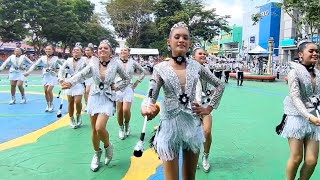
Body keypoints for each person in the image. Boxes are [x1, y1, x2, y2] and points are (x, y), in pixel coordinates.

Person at [141, 22, 225, 180]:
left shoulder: (196, 66)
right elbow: (149, 96)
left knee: (189, 178)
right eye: (177, 37)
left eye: (185, 37)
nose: (181, 40)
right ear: (169, 42)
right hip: (169, 128)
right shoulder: (160, 68)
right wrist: (146, 109)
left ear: (189, 43)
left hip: (192, 126)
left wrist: (209, 108)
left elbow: (220, 85)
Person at [61, 40, 130, 172]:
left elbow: (127, 79)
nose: (102, 50)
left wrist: (117, 86)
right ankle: (97, 154)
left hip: (108, 98)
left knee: (100, 127)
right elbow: (81, 74)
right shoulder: (93, 63)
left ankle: (108, 146)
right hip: (94, 97)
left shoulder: (116, 64)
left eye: (105, 48)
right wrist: (70, 83)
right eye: (100, 48)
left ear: (110, 51)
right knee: (94, 130)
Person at [276, 40, 320, 180]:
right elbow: (295, 97)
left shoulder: (318, 74)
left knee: (312, 161)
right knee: (296, 158)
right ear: (301, 54)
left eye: (317, 51)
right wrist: (308, 116)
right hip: (296, 118)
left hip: (315, 117)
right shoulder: (294, 72)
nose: (315, 53)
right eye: (311, 51)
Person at [193, 45, 216, 173]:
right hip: (191, 106)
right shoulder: (188, 70)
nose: (203, 56)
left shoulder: (206, 70)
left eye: (204, 54)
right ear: (193, 56)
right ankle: (194, 157)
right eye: (200, 54)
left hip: (205, 106)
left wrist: (210, 92)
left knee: (206, 132)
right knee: (193, 133)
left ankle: (205, 156)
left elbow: (216, 85)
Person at [115, 47, 146, 140]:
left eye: (125, 50)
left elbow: (143, 71)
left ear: (129, 53)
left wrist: (137, 82)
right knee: (119, 111)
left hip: (128, 88)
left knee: (126, 110)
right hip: (117, 88)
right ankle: (121, 128)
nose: (123, 52)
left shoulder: (133, 62)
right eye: (121, 51)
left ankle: (127, 125)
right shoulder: (115, 62)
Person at [24, 45, 63, 112]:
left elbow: (63, 65)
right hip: (45, 76)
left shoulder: (56, 58)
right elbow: (35, 65)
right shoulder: (42, 58)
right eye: (46, 49)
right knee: (45, 91)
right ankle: (48, 105)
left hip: (52, 76)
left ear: (53, 50)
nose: (47, 50)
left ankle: (51, 104)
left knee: (49, 90)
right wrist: (28, 72)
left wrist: (59, 70)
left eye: (49, 49)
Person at [58, 43, 86, 128]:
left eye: (78, 50)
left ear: (82, 52)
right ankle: (71, 118)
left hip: (79, 83)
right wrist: (61, 79)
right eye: (74, 50)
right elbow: (61, 70)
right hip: (68, 83)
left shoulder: (84, 61)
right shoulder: (68, 60)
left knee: (78, 101)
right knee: (70, 102)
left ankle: (78, 115)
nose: (75, 51)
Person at [83, 43, 96, 111]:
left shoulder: (95, 58)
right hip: (84, 78)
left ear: (92, 51)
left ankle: (90, 105)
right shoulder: (83, 59)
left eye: (88, 50)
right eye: (85, 50)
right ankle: (87, 104)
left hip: (93, 77)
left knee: (88, 91)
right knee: (85, 92)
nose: (86, 52)